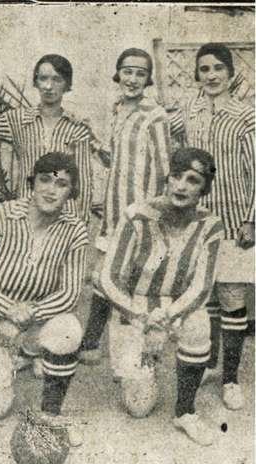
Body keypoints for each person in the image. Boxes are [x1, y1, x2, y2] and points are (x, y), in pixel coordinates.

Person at [0, 152, 88, 445]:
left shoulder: (74, 229)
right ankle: (10, 361)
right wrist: (9, 310)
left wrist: (21, 320)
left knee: (68, 328)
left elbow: (70, 293)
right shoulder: (2, 215)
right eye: (44, 181)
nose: (51, 190)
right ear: (33, 183)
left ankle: (50, 412)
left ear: (71, 191)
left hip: (29, 323)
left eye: (62, 184)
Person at [99, 147, 223, 446]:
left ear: (204, 188)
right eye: (176, 177)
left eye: (192, 180)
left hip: (174, 307)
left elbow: (201, 287)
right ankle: (146, 366)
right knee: (138, 406)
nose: (181, 186)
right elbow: (109, 277)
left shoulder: (211, 226)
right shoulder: (137, 215)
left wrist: (165, 319)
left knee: (199, 322)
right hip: (135, 306)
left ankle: (185, 411)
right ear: (166, 180)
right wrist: (142, 318)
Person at [170, 43, 255, 410]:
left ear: (231, 73)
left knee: (233, 298)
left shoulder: (247, 115)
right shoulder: (189, 111)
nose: (212, 75)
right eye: (204, 69)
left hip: (236, 220)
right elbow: (161, 133)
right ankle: (210, 361)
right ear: (197, 75)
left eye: (218, 68)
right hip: (199, 221)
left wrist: (252, 218)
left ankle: (231, 378)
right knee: (205, 296)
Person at [79, 48, 171, 371]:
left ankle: (134, 357)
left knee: (131, 282)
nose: (132, 79)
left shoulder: (155, 115)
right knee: (104, 276)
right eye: (127, 71)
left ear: (148, 79)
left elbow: (164, 170)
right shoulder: (117, 109)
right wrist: (95, 143)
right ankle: (91, 343)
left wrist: (153, 214)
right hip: (113, 213)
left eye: (140, 73)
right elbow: (117, 160)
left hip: (141, 216)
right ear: (118, 74)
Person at [0, 54, 94, 225]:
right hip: (25, 213)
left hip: (64, 217)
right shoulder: (18, 120)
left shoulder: (77, 128)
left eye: (57, 80)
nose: (49, 86)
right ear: (36, 82)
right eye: (43, 79)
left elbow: (84, 183)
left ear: (67, 85)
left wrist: (80, 224)